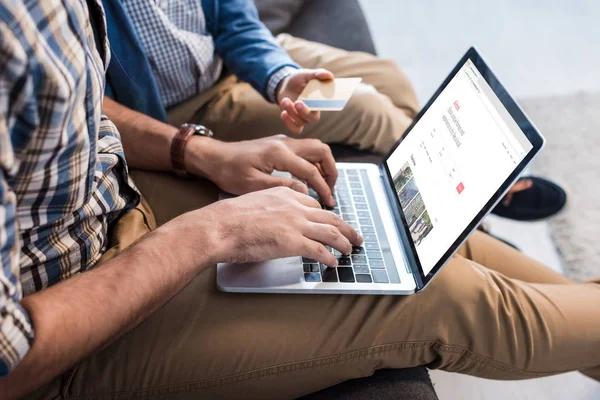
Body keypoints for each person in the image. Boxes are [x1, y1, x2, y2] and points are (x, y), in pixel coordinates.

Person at [2, 1, 599, 400]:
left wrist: (198, 152)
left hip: (116, 202)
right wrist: (206, 234)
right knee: (437, 295)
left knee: (401, 224)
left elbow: (83, 106)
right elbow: (10, 356)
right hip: (67, 332)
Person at [102, 0, 566, 222]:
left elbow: (234, 19)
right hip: (183, 107)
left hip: (236, 63)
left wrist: (280, 76)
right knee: (369, 108)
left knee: (387, 76)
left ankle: (443, 191)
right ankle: (467, 207)